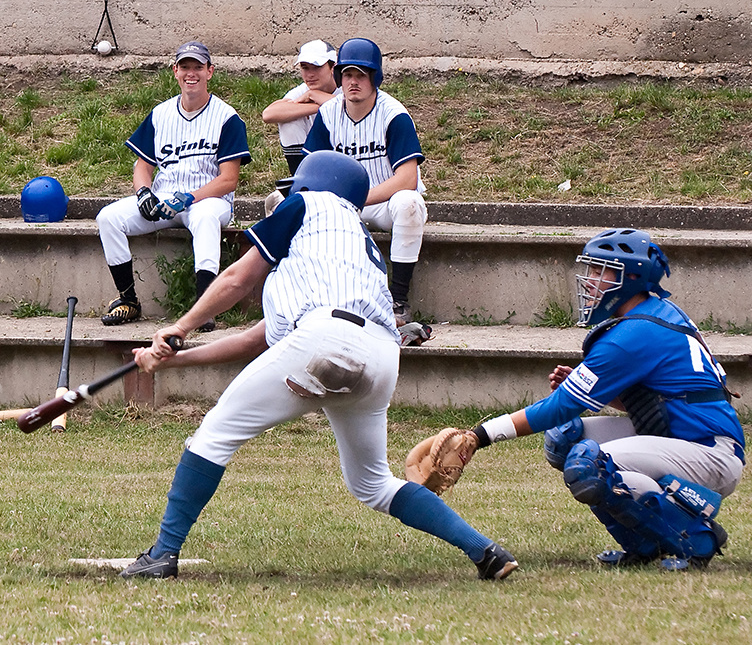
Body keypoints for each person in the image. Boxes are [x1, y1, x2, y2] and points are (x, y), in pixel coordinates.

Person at [118, 150, 518, 581]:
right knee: (372, 485)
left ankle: (163, 553)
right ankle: (486, 551)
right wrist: (176, 359)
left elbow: (237, 278)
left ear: (311, 185)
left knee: (214, 435)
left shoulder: (308, 204)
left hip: (327, 339)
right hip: (381, 356)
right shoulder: (345, 244)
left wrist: (181, 326)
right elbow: (258, 339)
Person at [464, 228, 743, 570]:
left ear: (632, 277)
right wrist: (599, 391)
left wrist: (479, 436)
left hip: (709, 452)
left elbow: (561, 406)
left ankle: (696, 538)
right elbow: (660, 403)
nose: (591, 280)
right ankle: (644, 544)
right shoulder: (654, 312)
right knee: (564, 439)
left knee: (587, 463)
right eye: (592, 270)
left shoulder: (635, 332)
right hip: (687, 439)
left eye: (601, 271)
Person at [96, 41, 251, 332]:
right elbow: (143, 165)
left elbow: (229, 180)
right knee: (108, 218)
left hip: (208, 198)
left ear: (210, 72)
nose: (191, 73)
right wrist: (143, 191)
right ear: (175, 71)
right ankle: (128, 300)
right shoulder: (161, 114)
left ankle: (204, 306)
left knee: (205, 218)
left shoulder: (227, 117)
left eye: (198, 67)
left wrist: (188, 198)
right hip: (165, 197)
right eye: (185, 67)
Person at [302, 38, 428, 327]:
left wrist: (360, 198)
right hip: (344, 205)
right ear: (339, 77)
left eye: (361, 74)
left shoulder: (393, 114)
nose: (353, 82)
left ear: (375, 78)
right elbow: (312, 168)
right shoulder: (329, 113)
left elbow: (407, 179)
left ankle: (398, 300)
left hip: (384, 203)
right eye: (348, 74)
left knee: (410, 203)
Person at [261, 39, 341, 177]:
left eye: (316, 67)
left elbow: (352, 107)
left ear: (333, 67)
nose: (310, 74)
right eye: (305, 67)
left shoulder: (346, 87)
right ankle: (301, 180)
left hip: (347, 161)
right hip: (314, 162)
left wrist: (314, 96)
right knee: (289, 120)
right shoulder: (304, 90)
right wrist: (317, 106)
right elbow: (269, 114)